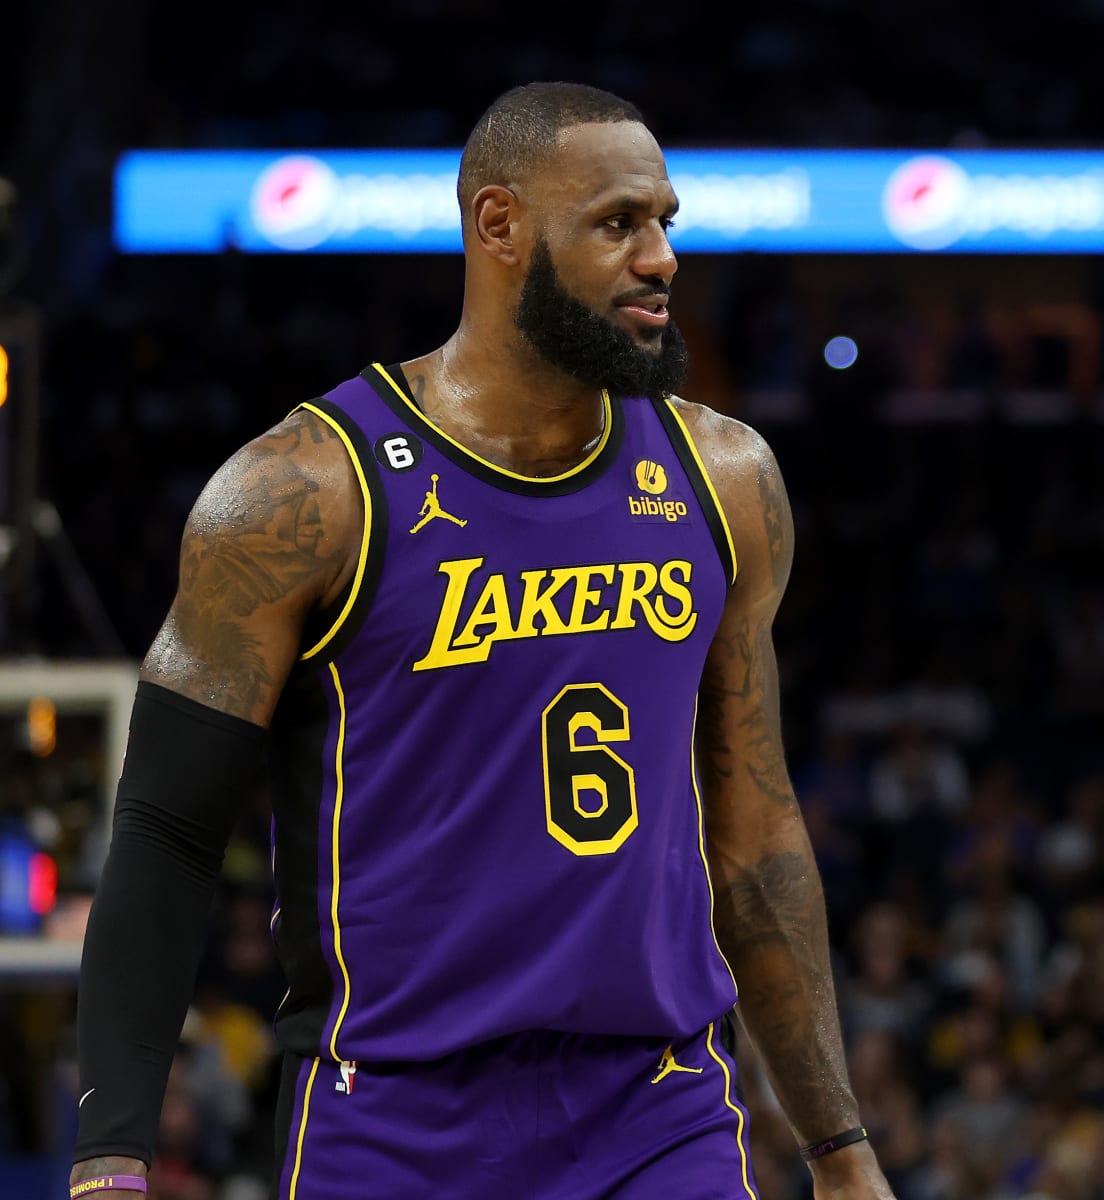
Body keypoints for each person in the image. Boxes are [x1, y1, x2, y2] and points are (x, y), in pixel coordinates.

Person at [71, 82, 895, 1200]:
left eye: (666, 222)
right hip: (393, 1114)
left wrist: (839, 1152)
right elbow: (169, 828)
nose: (660, 258)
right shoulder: (303, 491)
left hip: (656, 1107)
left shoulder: (726, 479)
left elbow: (754, 839)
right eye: (617, 223)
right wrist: (110, 1151)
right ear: (498, 226)